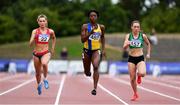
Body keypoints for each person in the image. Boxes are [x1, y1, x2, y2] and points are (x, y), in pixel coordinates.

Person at [123, 20, 151, 101]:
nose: (136, 28)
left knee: (142, 73)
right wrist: (127, 44)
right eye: (134, 27)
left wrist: (148, 53)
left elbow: (148, 44)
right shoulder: (128, 36)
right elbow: (124, 47)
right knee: (132, 79)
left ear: (139, 28)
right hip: (131, 58)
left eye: (137, 27)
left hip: (140, 57)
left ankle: (139, 75)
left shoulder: (143, 36)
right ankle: (135, 93)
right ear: (132, 27)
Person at [29, 14, 56, 95]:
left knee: (44, 63)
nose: (42, 22)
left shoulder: (50, 31)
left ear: (46, 22)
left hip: (45, 52)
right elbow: (30, 44)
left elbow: (54, 38)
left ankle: (45, 79)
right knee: (37, 73)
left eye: (43, 21)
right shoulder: (35, 31)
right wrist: (34, 38)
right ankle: (39, 84)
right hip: (36, 53)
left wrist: (53, 48)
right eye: (40, 21)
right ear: (38, 22)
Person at [81, 10, 106, 95]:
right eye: (91, 16)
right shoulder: (85, 26)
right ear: (89, 17)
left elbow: (102, 37)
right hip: (86, 51)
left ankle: (95, 88)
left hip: (96, 50)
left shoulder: (101, 27)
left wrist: (104, 49)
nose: (93, 17)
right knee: (87, 72)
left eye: (94, 16)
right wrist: (90, 33)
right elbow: (82, 40)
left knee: (96, 66)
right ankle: (87, 72)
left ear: (97, 17)